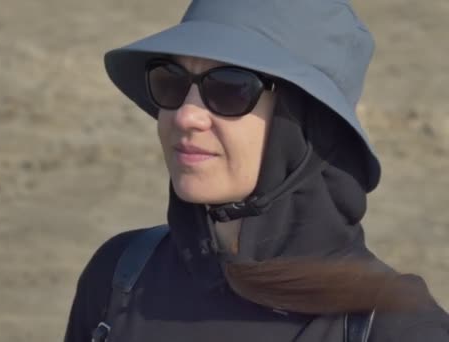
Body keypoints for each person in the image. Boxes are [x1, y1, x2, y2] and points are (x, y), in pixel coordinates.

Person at [64, 0, 449, 341]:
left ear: (306, 123)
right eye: (171, 81)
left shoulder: (396, 327)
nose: (185, 115)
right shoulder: (120, 276)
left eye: (230, 88)